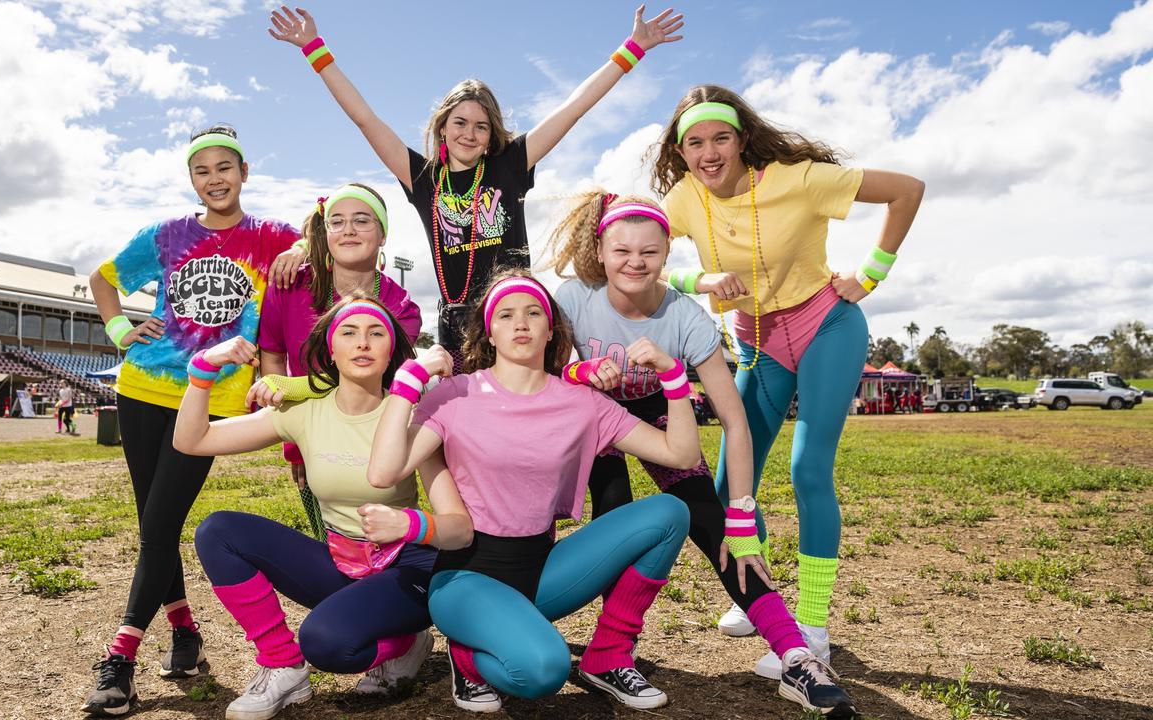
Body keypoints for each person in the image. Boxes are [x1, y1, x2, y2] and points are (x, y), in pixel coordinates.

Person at [546, 192, 857, 716]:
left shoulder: (685, 318)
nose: (635, 263)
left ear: (667, 255)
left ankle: (796, 656)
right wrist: (578, 372)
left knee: (715, 527)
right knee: (616, 512)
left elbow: (736, 422)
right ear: (600, 251)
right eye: (622, 251)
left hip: (659, 409)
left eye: (649, 252)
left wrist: (740, 515)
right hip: (593, 413)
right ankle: (611, 652)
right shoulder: (574, 298)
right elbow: (535, 371)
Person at [652, 85, 924, 679]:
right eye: (694, 142)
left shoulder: (798, 179)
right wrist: (698, 277)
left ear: (742, 139)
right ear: (681, 152)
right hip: (755, 346)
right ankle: (760, 600)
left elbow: (907, 191)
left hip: (827, 324)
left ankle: (815, 626)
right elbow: (627, 251)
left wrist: (873, 272)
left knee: (808, 468)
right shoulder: (683, 199)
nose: (709, 152)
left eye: (720, 137)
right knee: (727, 482)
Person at [267, 4, 684, 367]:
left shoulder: (511, 165)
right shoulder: (424, 178)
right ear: (442, 128)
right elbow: (365, 119)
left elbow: (573, 108)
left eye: (481, 126)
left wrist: (631, 50)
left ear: (492, 134)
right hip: (455, 323)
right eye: (460, 123)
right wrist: (314, 50)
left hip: (514, 313)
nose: (470, 133)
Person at [369, 269, 697, 711]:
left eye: (532, 313)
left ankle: (608, 654)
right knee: (542, 670)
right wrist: (408, 383)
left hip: (543, 571)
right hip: (467, 578)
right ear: (490, 332)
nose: (520, 323)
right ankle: (466, 657)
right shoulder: (454, 395)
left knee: (668, 512)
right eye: (506, 315)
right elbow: (384, 472)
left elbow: (679, 454)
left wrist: (674, 378)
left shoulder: (583, 404)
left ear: (550, 329)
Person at [82, 123, 308, 716]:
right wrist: (119, 331)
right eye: (202, 170)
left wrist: (301, 249)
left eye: (224, 167)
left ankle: (122, 657)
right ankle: (183, 635)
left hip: (208, 401)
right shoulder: (167, 235)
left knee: (160, 524)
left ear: (244, 172)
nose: (215, 179)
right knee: (157, 524)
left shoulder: (270, 237)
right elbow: (102, 279)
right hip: (143, 385)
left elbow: (319, 236)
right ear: (191, 178)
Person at [171, 296, 471, 720]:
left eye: (376, 334)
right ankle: (282, 665)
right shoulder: (305, 412)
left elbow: (458, 531)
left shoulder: (413, 414)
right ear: (331, 349)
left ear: (392, 352)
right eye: (349, 333)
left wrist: (409, 523)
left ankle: (407, 639)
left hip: (408, 569)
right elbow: (192, 441)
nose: (362, 343)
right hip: (342, 562)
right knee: (218, 531)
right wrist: (202, 369)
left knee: (328, 643)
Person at [256, 183, 420, 525]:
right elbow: (272, 357)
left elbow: (373, 379)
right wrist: (294, 442)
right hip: (310, 435)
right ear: (325, 231)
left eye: (362, 221)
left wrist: (295, 388)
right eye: (337, 222)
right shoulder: (288, 286)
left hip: (374, 438)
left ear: (382, 234)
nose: (348, 231)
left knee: (381, 540)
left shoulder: (402, 308)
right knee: (327, 542)